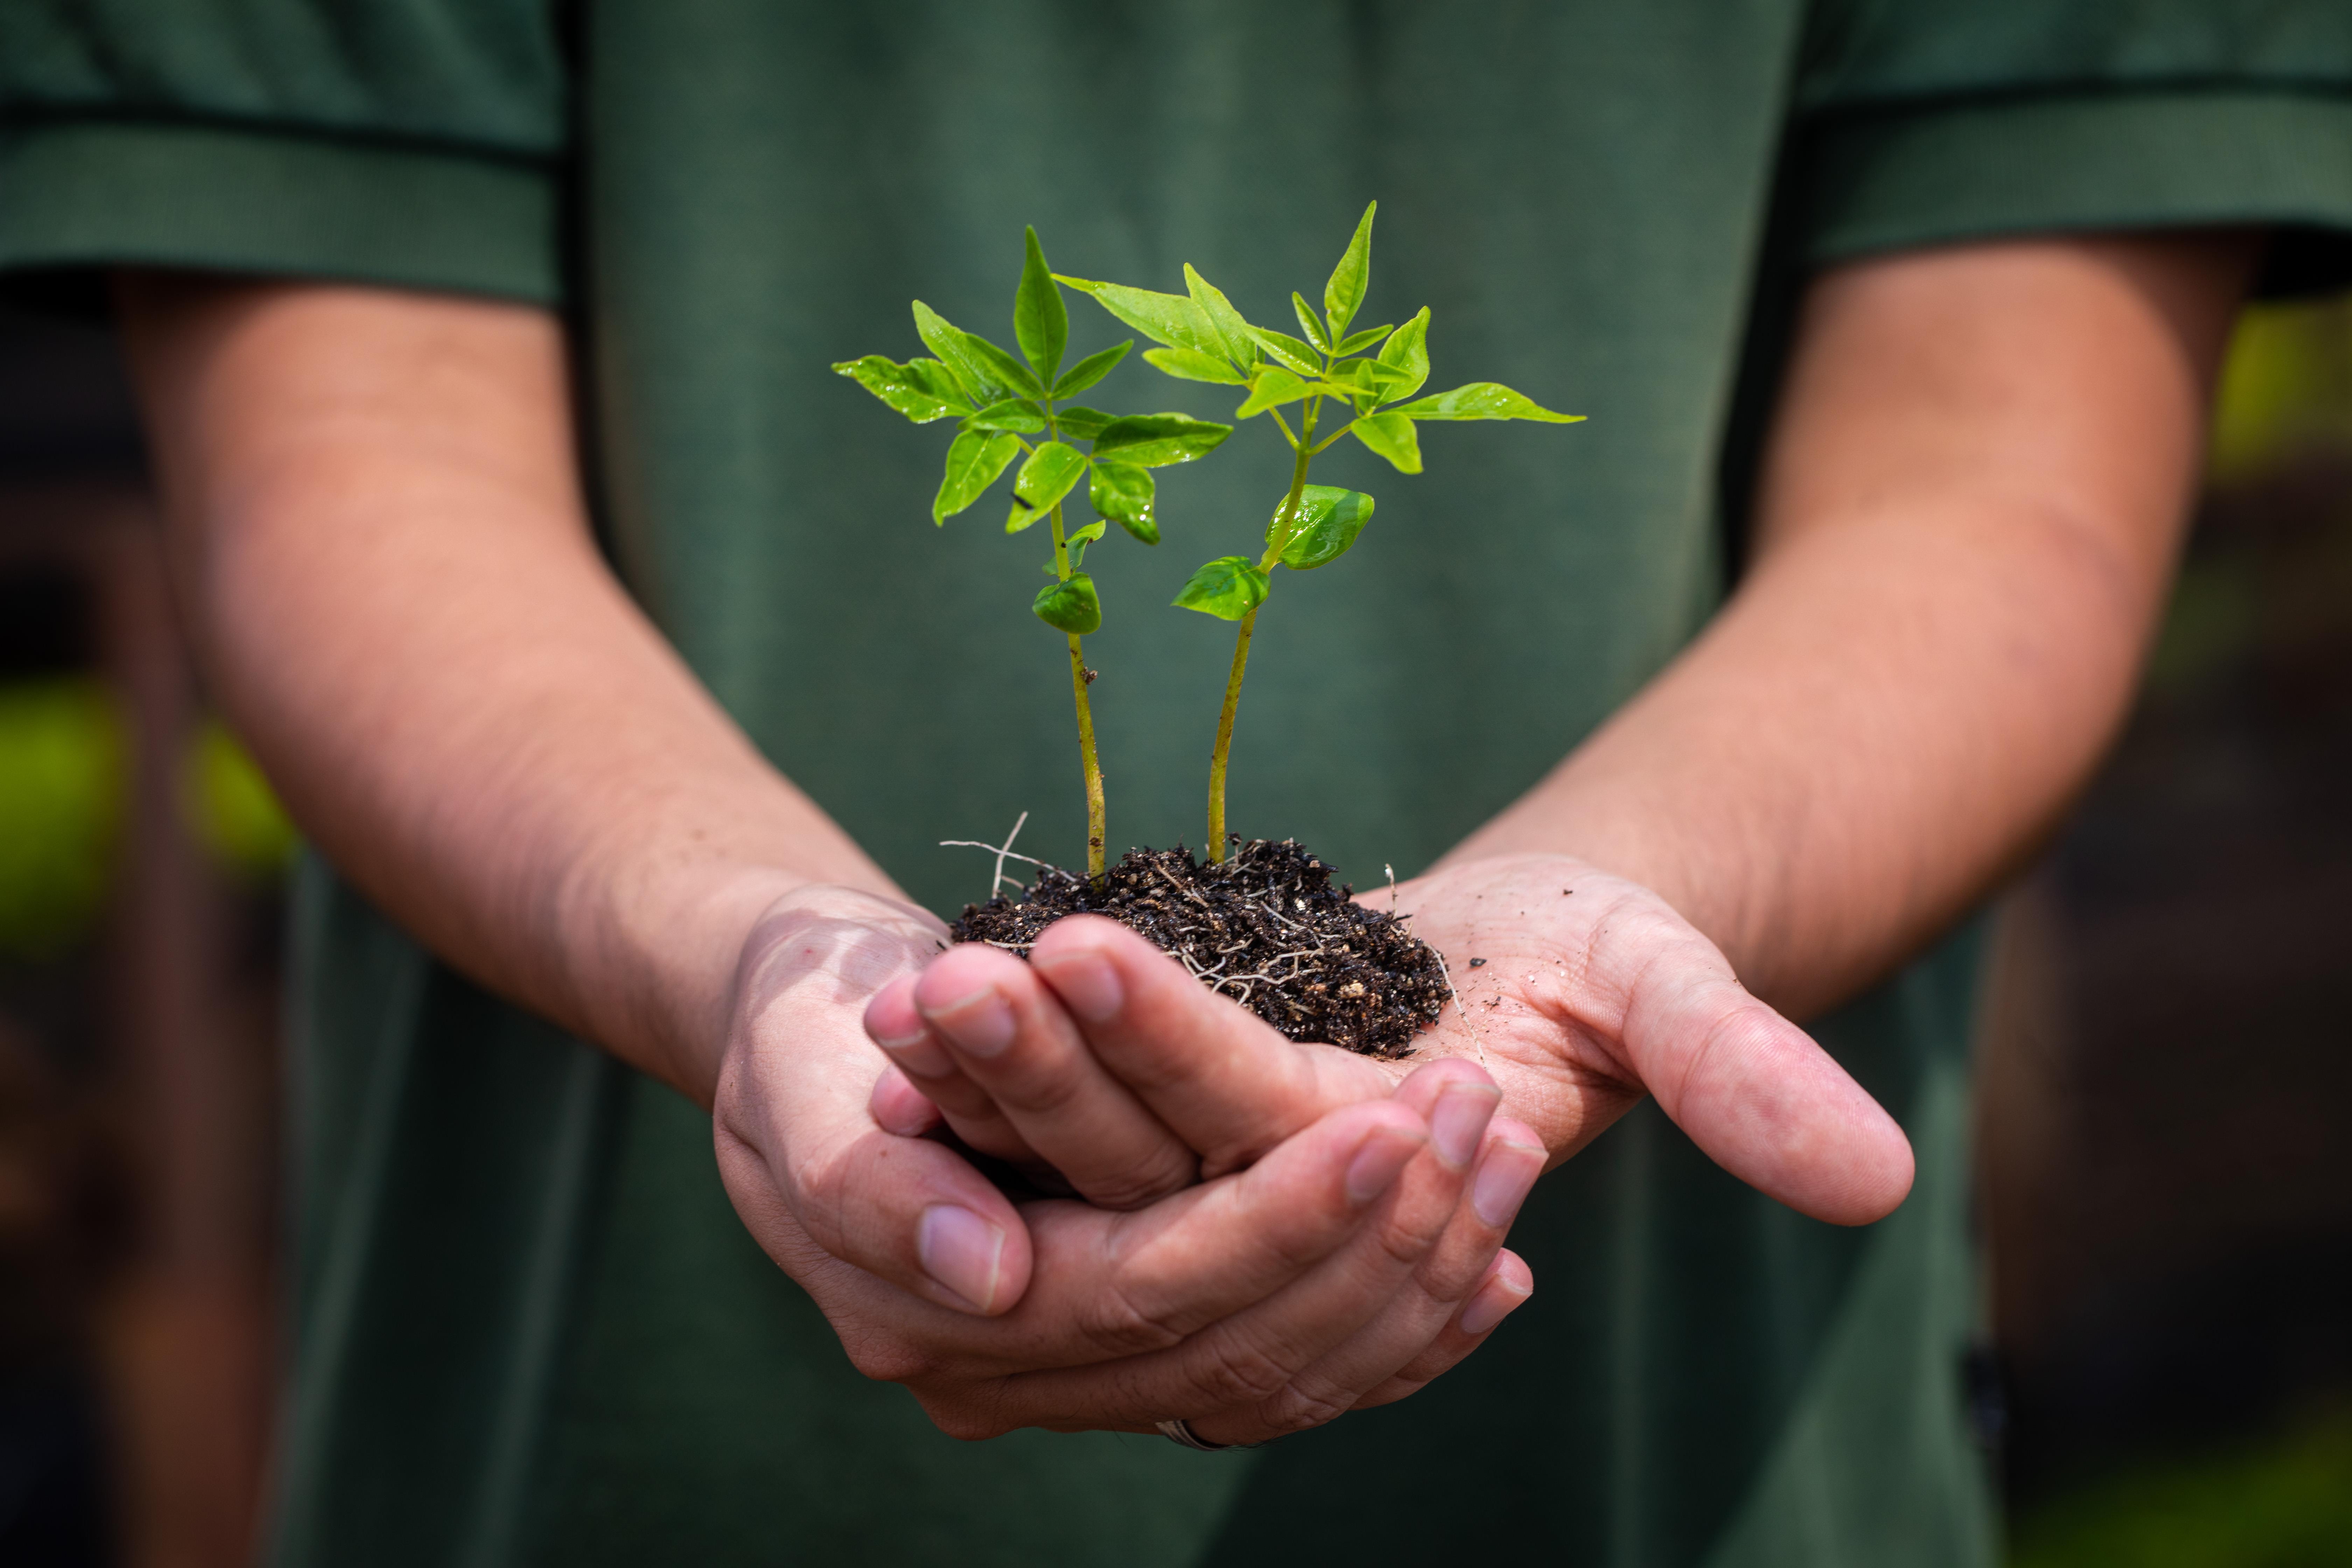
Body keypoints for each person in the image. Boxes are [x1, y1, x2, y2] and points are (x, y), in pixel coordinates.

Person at [6, 2, 2349, 1563]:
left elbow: (2000, 486)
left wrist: (1610, 915)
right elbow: (346, 465)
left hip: (1677, 1469)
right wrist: (749, 955)